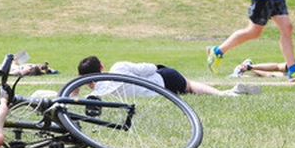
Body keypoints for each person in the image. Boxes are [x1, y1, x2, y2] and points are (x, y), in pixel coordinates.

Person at [78, 56, 261, 96]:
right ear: (102, 67)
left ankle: (229, 92)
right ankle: (224, 93)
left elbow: (73, 99)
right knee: (189, 86)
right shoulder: (118, 67)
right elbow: (149, 67)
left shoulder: (97, 96)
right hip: (163, 78)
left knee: (188, 89)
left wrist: (75, 91)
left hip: (161, 91)